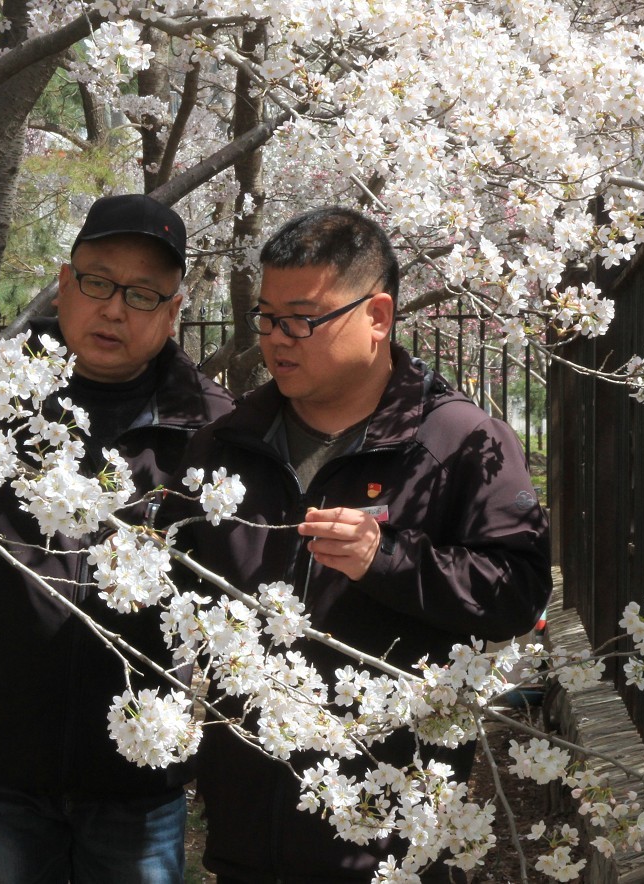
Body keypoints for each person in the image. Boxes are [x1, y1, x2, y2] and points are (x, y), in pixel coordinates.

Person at [0, 194, 235, 883]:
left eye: (144, 294)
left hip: (139, 776)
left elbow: (236, 601)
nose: (115, 308)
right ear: (65, 285)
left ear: (174, 311)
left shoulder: (209, 430)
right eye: (99, 282)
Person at [171, 207, 551, 882]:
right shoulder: (230, 442)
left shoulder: (460, 442)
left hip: (387, 840)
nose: (276, 340)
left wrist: (389, 559)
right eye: (266, 318)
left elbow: (515, 592)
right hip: (247, 835)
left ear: (377, 316)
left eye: (301, 319)